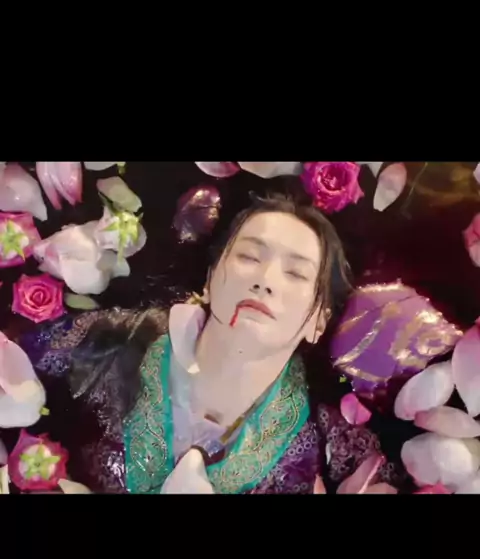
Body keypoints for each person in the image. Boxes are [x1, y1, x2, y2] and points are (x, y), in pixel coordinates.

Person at [18, 191, 405, 493]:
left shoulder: (327, 441)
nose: (265, 280)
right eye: (249, 257)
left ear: (318, 320)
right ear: (209, 280)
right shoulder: (114, 342)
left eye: (296, 274)